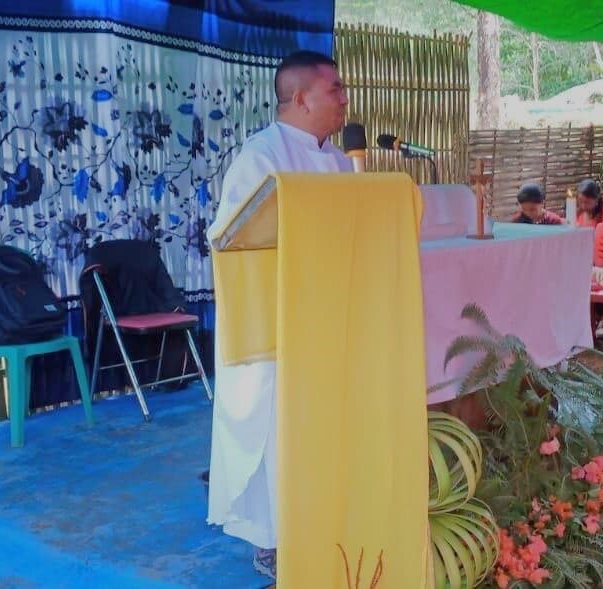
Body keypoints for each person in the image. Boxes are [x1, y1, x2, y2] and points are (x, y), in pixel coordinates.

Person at [206, 49, 351, 581]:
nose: (344, 98)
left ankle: (322, 516)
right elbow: (229, 239)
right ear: (300, 97)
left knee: (322, 422)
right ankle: (272, 538)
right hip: (276, 320)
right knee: (277, 424)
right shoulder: (259, 158)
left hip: (328, 315)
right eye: (335, 88)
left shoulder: (337, 160)